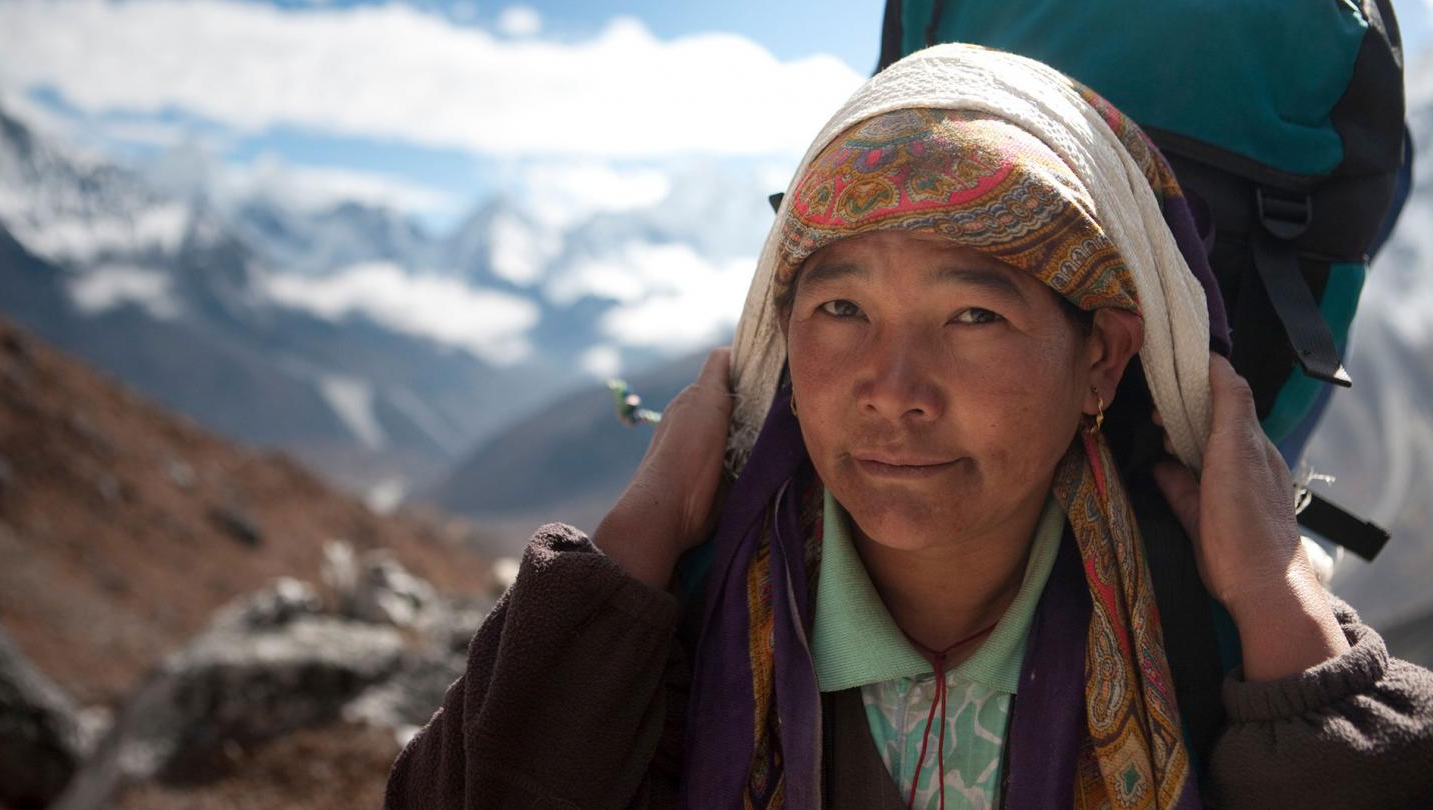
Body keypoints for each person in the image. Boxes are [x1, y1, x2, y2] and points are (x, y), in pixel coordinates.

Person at [384, 44, 1433, 809]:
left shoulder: (1206, 644)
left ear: (1103, 358)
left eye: (973, 315)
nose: (893, 390)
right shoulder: (678, 637)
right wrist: (646, 526)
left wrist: (1272, 600)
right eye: (840, 309)